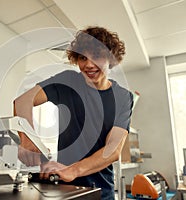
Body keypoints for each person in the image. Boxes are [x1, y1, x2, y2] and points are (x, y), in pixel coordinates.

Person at [14, 26, 133, 200]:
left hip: (101, 190)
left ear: (111, 59)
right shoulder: (68, 81)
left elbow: (113, 150)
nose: (89, 65)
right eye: (83, 57)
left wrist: (73, 170)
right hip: (63, 189)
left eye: (97, 57)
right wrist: (28, 138)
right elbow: (23, 101)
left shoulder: (123, 97)